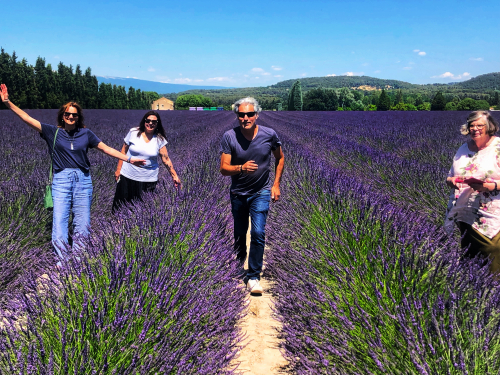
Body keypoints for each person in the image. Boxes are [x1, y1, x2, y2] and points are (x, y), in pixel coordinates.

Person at [0, 83, 145, 263]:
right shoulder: (52, 132)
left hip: (83, 180)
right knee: (59, 220)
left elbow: (106, 149)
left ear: (78, 117)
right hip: (61, 180)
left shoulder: (86, 134)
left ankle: (78, 261)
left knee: (82, 222)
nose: (70, 117)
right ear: (62, 115)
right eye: (67, 114)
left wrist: (129, 159)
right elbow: (27, 118)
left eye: (74, 115)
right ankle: (61, 261)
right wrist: (8, 102)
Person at [219, 97, 285, 294]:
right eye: (241, 115)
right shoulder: (229, 136)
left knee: (257, 233)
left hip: (261, 192)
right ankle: (239, 267)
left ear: (257, 115)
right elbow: (223, 168)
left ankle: (254, 275)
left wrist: (276, 185)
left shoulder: (269, 134)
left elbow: (280, 158)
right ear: (237, 116)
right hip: (238, 193)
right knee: (240, 233)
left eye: (249, 114)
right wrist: (241, 168)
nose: (245, 118)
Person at [445, 110, 500, 273]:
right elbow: (449, 176)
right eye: (472, 125)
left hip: (492, 214)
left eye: (480, 125)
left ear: (489, 127)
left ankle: (494, 294)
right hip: (465, 214)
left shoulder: (498, 147)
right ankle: (471, 293)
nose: (475, 128)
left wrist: (490, 186)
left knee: (492, 254)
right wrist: (451, 181)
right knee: (470, 258)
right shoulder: (463, 148)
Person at [112, 110, 181, 212]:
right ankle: (118, 226)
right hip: (127, 176)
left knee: (142, 211)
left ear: (157, 124)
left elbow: (166, 159)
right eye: (148, 120)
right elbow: (123, 151)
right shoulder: (133, 132)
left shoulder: (159, 139)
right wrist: (118, 170)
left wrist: (174, 176)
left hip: (148, 180)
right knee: (121, 208)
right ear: (144, 121)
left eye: (154, 122)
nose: (150, 123)